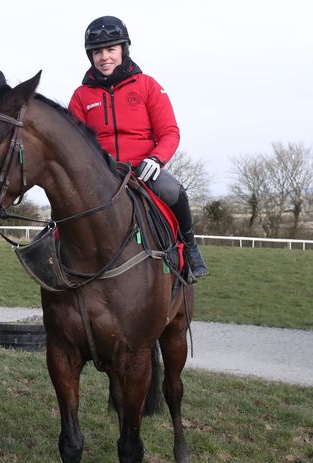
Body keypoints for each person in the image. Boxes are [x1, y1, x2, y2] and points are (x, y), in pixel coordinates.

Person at [69, 15, 209, 280]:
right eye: (97, 52)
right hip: (102, 174)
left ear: (124, 49)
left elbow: (169, 132)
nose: (104, 57)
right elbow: (76, 144)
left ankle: (190, 248)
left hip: (143, 171)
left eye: (111, 49)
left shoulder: (147, 86)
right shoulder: (81, 96)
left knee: (175, 191)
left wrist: (156, 159)